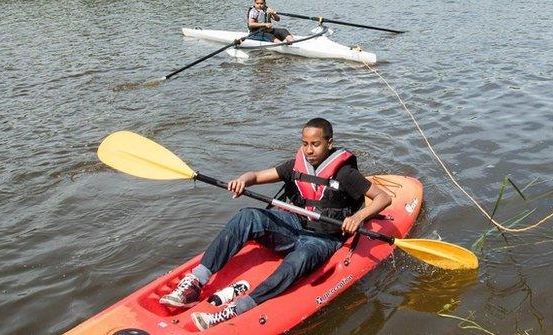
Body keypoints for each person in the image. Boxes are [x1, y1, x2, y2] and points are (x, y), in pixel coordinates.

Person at [159, 118, 392, 331]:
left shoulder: (346, 174)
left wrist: (358, 217)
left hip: (325, 237)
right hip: (295, 225)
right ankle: (196, 282)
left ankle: (239, 307)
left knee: (298, 259)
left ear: (329, 143)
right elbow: (257, 176)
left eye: (315, 144)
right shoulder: (295, 165)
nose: (309, 150)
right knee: (247, 215)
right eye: (305, 144)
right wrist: (243, 180)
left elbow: (383, 197)